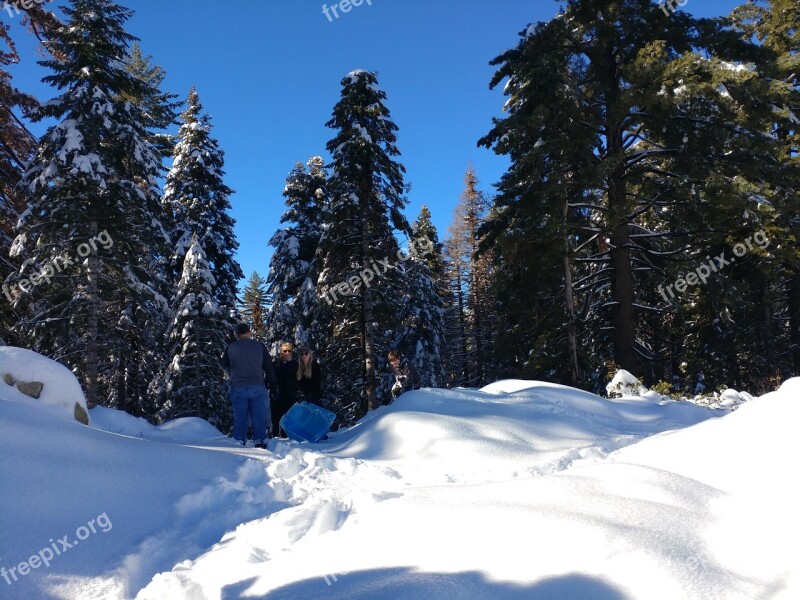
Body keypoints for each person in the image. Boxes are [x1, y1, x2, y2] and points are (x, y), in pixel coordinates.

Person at [223, 323, 277, 448]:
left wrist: (231, 373)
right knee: (258, 415)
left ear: (237, 334)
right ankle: (259, 441)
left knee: (240, 417)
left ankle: (239, 442)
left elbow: (224, 364)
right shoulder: (259, 346)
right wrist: (273, 383)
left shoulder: (231, 347)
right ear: (248, 332)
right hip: (257, 386)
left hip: (238, 386)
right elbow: (269, 366)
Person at [272, 342, 298, 436]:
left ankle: (287, 440)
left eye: (289, 351)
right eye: (284, 351)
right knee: (275, 420)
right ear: (280, 352)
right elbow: (270, 378)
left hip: (290, 396)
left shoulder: (295, 365)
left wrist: (290, 363)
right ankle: (274, 439)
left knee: (288, 421)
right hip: (277, 396)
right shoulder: (275, 364)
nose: (287, 353)